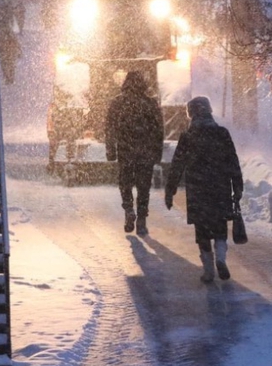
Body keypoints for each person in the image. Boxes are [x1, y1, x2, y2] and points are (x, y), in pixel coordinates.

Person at [165, 96, 244, 283]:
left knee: (202, 230)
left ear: (191, 114)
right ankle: (221, 259)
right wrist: (237, 186)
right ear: (209, 111)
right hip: (220, 186)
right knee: (219, 226)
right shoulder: (222, 133)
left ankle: (208, 270)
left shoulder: (187, 137)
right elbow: (233, 161)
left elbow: (177, 164)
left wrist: (170, 190)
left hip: (197, 188)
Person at [104, 71, 164, 236]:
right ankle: (142, 220)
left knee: (125, 182)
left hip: (126, 150)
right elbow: (158, 130)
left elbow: (110, 128)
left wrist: (110, 150)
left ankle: (129, 209)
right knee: (144, 186)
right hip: (145, 151)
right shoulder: (150, 103)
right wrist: (157, 152)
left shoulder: (118, 102)